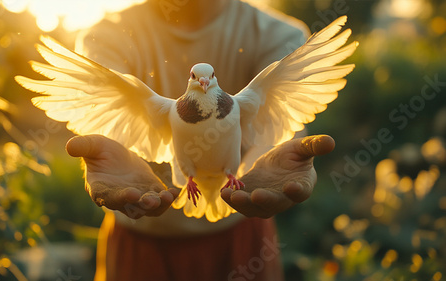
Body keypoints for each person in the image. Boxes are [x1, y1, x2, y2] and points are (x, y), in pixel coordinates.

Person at [66, 0, 336, 280]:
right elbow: (100, 117)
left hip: (241, 232)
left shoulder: (278, 34)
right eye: (197, 78)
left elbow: (285, 123)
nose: (204, 83)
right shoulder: (107, 35)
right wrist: (109, 155)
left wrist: (261, 164)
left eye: (208, 79)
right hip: (140, 239)